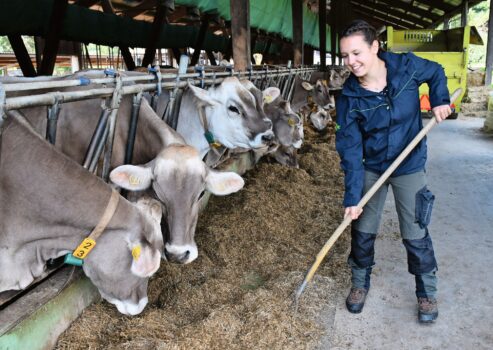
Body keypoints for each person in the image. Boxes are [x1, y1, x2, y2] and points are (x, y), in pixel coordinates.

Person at [335, 20, 452, 323]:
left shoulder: (406, 67)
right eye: (345, 56)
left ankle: (426, 292)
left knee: (415, 231)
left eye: (357, 52)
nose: (351, 62)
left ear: (375, 47)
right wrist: (352, 196)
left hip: (409, 163)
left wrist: (440, 100)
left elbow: (436, 72)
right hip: (371, 167)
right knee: (362, 228)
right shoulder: (349, 98)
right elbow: (350, 149)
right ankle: (359, 284)